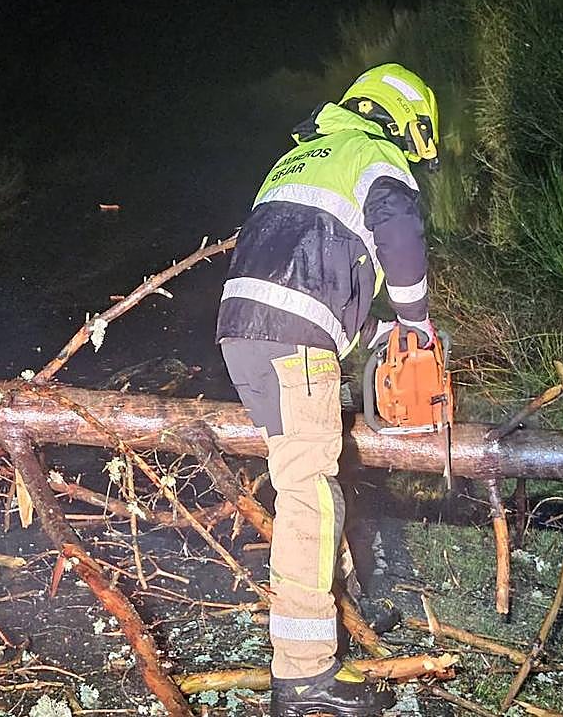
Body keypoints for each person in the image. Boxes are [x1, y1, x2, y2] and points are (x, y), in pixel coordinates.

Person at [216, 63, 440, 716]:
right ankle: (304, 674)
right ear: (403, 122)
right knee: (309, 491)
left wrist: (375, 336)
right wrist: (417, 327)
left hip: (243, 330)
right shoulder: (374, 153)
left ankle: (345, 607)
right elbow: (397, 229)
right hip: (295, 338)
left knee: (311, 477)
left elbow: (308, 265)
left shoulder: (302, 157)